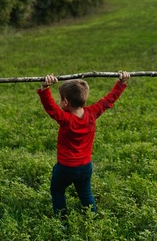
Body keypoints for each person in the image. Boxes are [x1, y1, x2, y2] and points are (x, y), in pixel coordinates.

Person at [37, 71, 130, 219]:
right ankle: (92, 218)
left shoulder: (66, 119)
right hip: (85, 167)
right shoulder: (92, 113)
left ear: (66, 102)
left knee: (57, 190)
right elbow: (108, 100)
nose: (58, 102)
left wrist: (44, 88)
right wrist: (121, 83)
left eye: (60, 99)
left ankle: (62, 222)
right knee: (85, 193)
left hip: (66, 168)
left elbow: (51, 108)